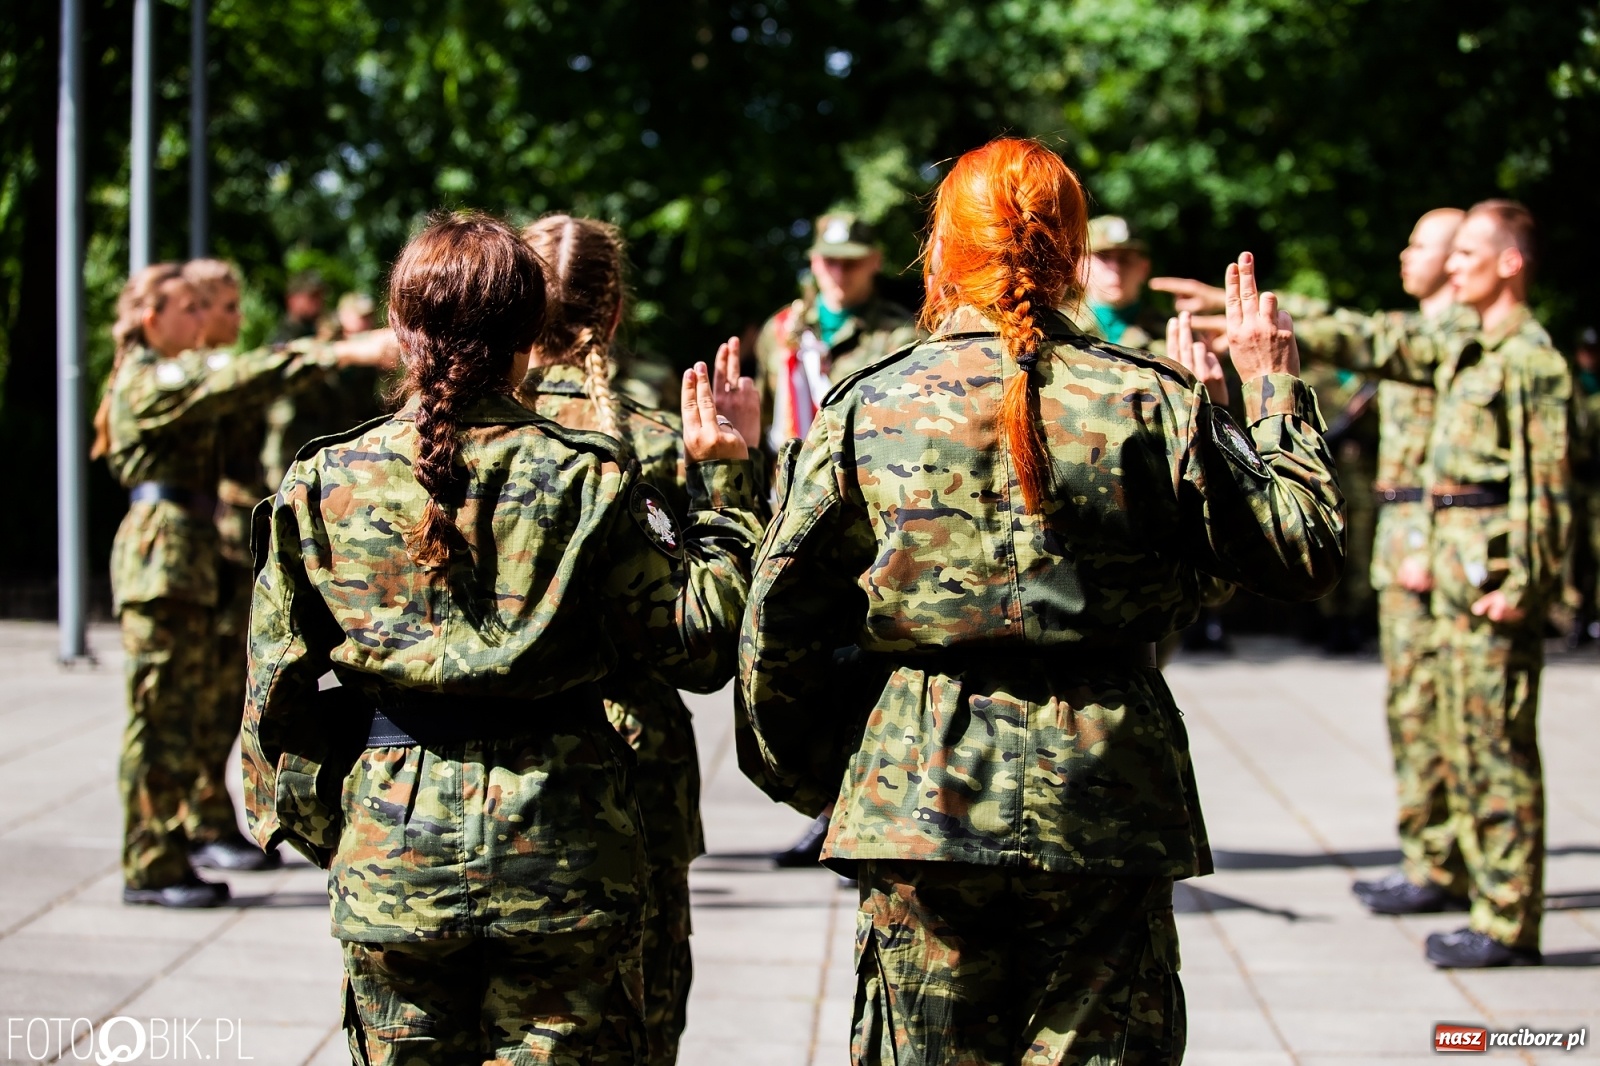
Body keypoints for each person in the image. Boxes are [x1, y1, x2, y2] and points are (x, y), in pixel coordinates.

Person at [738, 138, 1345, 1064]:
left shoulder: (870, 405)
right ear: (1071, 252)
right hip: (1107, 784)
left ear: (943, 252)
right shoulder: (1148, 398)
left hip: (921, 785)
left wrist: (843, 781)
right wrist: (1269, 394)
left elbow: (778, 623)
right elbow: (1302, 549)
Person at [240, 212, 763, 1063]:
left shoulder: (324, 478)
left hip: (392, 849)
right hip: (563, 847)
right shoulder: (586, 474)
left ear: (402, 330)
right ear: (529, 331)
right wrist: (732, 495)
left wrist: (346, 835)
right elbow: (700, 645)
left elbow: (274, 701)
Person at [1275, 201, 1568, 967]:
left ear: (1510, 262)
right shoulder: (1469, 351)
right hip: (1452, 576)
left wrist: (1528, 582)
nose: (1457, 263)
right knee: (1462, 739)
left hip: (1489, 581)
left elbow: (1547, 487)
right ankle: (1483, 895)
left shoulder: (1531, 359)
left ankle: (1509, 920)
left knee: (1497, 746)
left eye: (1473, 250)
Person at [515, 213, 760, 1065]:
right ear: (613, 314)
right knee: (638, 1027)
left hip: (470, 788)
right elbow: (700, 646)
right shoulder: (650, 444)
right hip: (627, 775)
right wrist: (735, 474)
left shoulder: (440, 437)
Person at [93, 263, 393, 908]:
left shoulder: (172, 375)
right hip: (161, 555)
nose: (203, 322)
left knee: (191, 711)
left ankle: (178, 840)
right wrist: (340, 349)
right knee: (159, 716)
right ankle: (149, 859)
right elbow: (239, 375)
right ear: (153, 318)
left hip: (188, 553)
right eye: (189, 311)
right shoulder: (153, 377)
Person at [178, 258, 280, 872]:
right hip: (207, 549)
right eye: (226, 306)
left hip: (219, 545)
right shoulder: (199, 374)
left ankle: (206, 813)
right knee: (206, 691)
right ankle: (200, 815)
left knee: (220, 688)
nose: (236, 319)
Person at [755, 212, 917, 451]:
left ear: (875, 260)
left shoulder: (902, 334)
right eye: (830, 261)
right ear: (814, 261)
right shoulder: (779, 330)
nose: (839, 273)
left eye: (851, 262)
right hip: (788, 482)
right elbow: (761, 421)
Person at [1071, 215, 1168, 350]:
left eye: (1125, 259)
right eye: (1104, 257)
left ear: (1144, 269)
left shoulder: (1173, 332)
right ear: (1080, 268)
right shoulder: (1053, 328)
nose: (1115, 269)